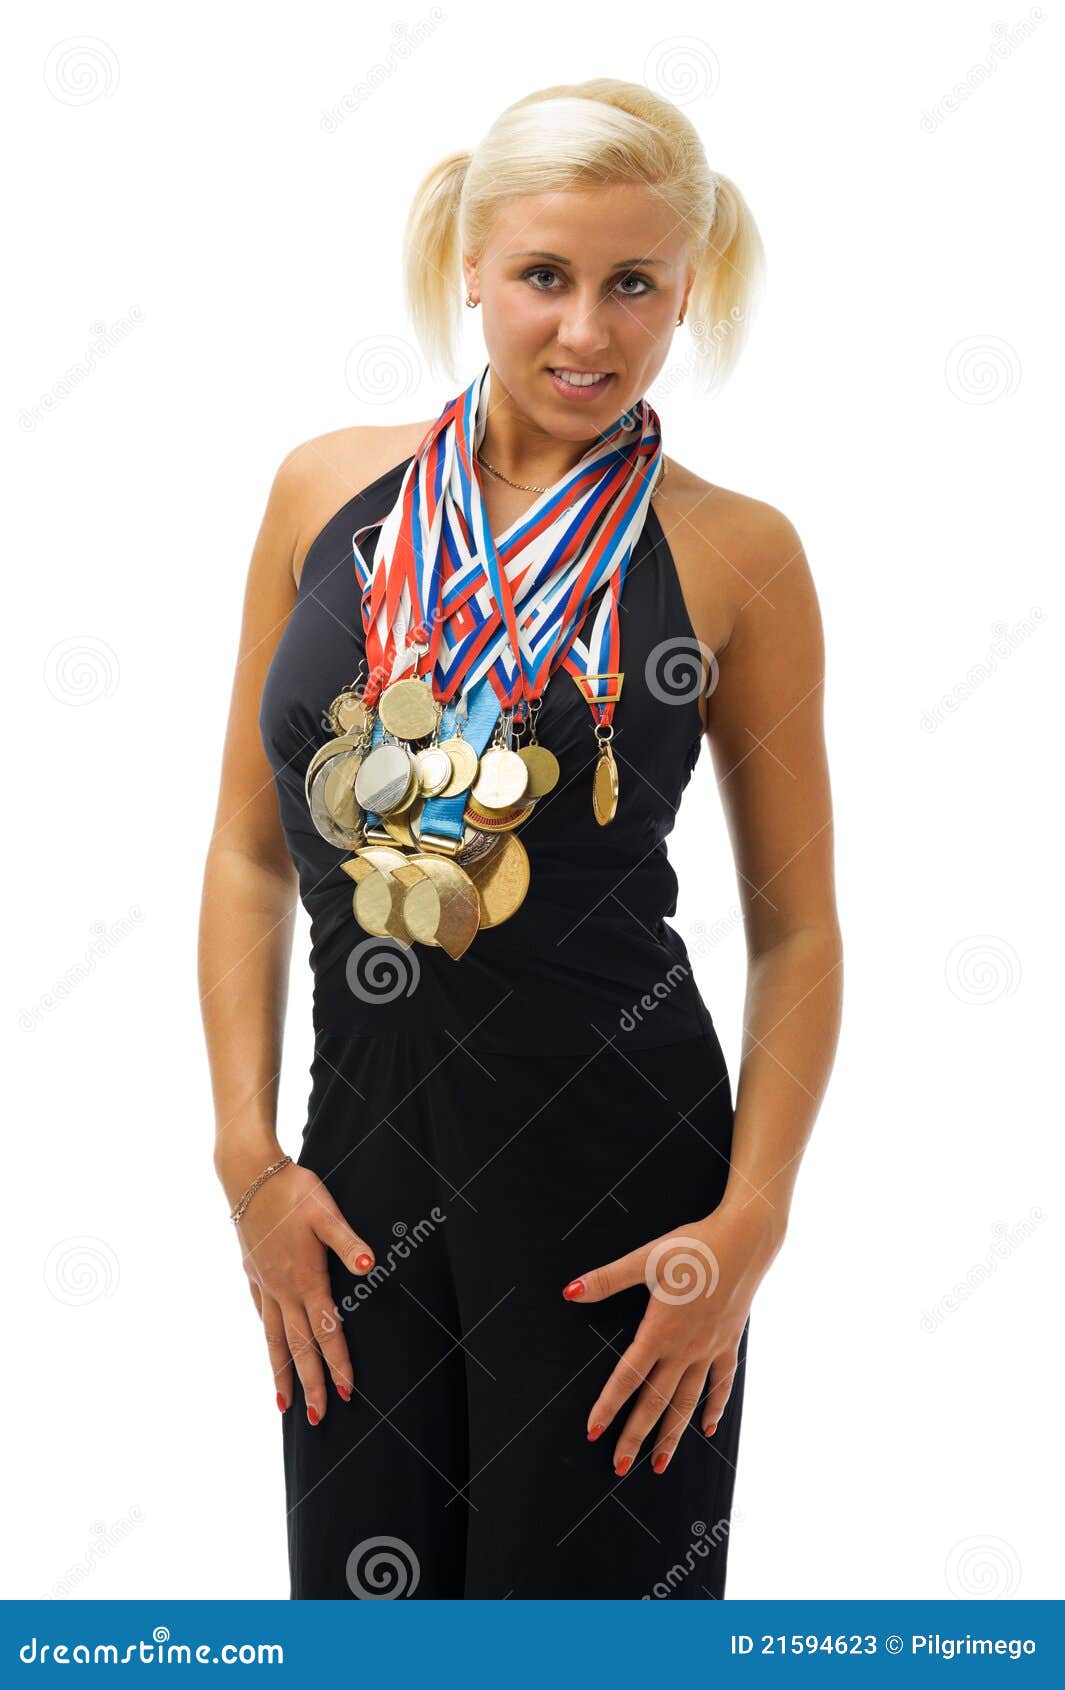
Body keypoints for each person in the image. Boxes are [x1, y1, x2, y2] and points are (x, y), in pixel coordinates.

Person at [198, 77, 843, 1601]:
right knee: (369, 1630)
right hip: (352, 1184)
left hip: (622, 1193)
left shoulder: (732, 549)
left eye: (634, 285)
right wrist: (248, 1159)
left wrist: (744, 1228)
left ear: (688, 292)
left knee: (590, 1638)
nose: (586, 331)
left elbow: (799, 927)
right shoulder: (320, 494)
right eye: (546, 276)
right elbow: (245, 849)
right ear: (469, 265)